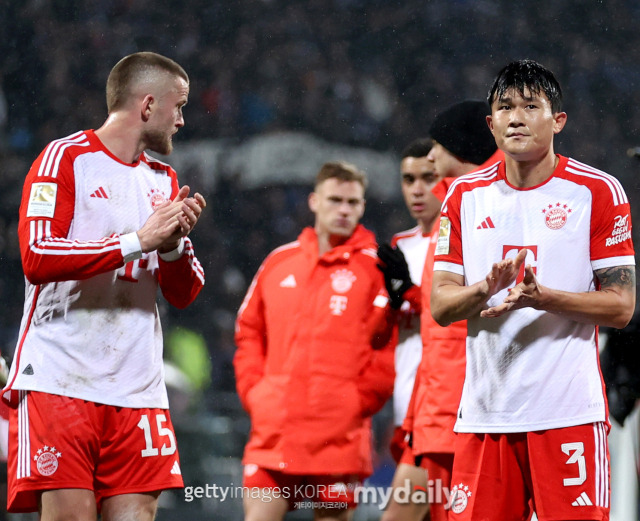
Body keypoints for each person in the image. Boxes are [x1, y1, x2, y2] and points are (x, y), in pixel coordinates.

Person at [2, 52, 206, 520]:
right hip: (61, 381)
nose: (181, 120)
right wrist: (139, 240)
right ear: (148, 105)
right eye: (178, 107)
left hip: (139, 392)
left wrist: (173, 246)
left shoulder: (163, 179)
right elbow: (37, 257)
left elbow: (184, 293)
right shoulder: (66, 158)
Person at [431, 59, 635, 521]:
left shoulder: (597, 191)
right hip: (485, 418)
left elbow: (622, 306)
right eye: (504, 107)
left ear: (558, 120)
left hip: (567, 417)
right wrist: (484, 287)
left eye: (530, 106)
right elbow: (441, 306)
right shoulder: (463, 196)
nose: (515, 117)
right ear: (490, 123)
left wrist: (544, 298)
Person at [234, 161, 395, 521]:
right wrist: (255, 393)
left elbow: (386, 344)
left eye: (352, 203)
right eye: (335, 199)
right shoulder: (279, 262)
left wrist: (358, 401)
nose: (343, 209)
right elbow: (248, 331)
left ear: (363, 207)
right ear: (313, 201)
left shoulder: (377, 271)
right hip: (274, 433)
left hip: (339, 439)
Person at [381, 101, 499, 521]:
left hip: (463, 405)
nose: (429, 161)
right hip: (429, 404)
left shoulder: (484, 205)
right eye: (408, 178)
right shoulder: (448, 213)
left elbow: (470, 309)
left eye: (437, 147)